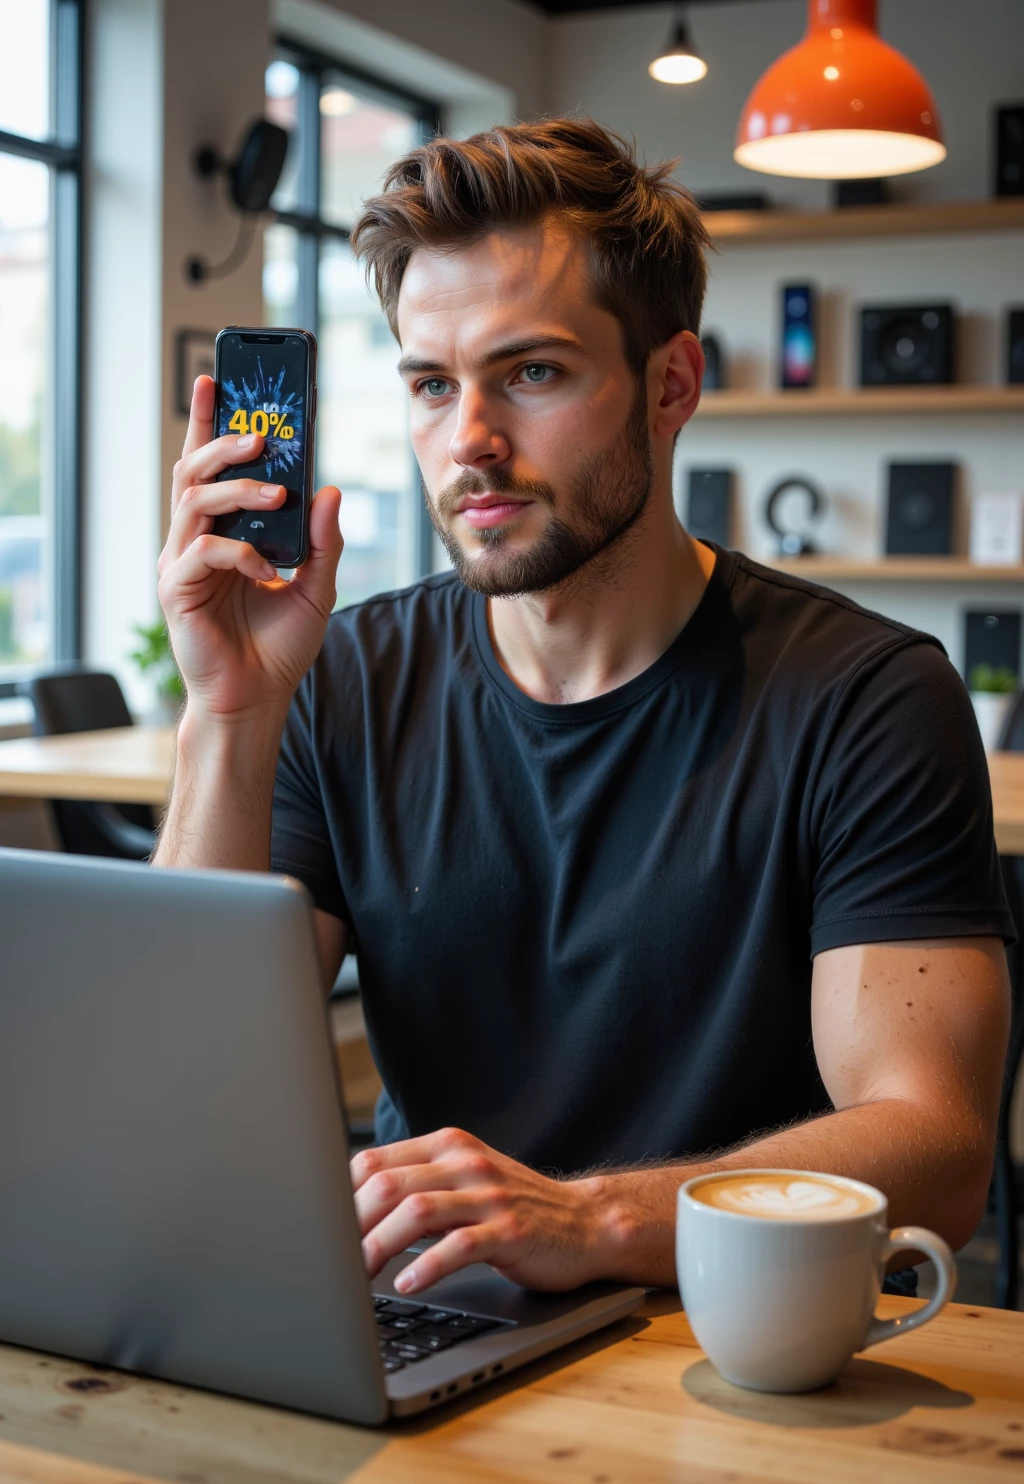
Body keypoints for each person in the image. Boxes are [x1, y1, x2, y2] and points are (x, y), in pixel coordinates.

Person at [155, 118, 1012, 1299]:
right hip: (426, 1310)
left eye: (532, 373)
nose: (471, 441)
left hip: (737, 1336)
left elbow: (934, 1147)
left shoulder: (864, 698)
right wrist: (230, 714)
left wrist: (588, 1217)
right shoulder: (337, 679)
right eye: (431, 385)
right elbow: (187, 1089)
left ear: (669, 386)